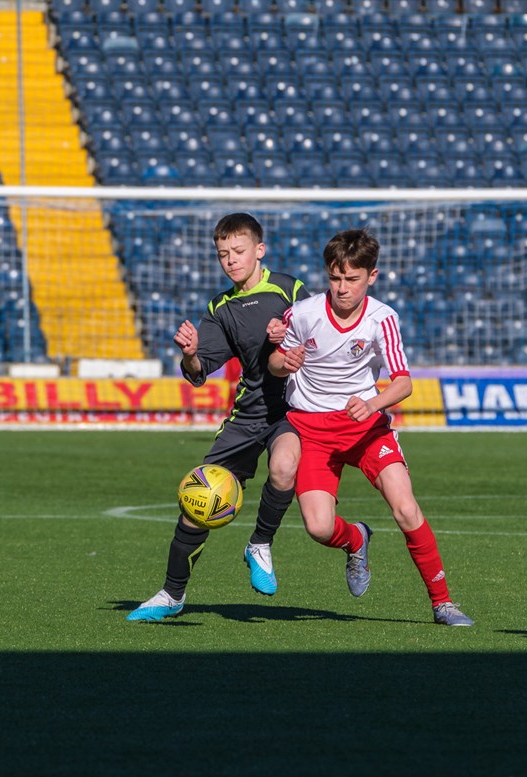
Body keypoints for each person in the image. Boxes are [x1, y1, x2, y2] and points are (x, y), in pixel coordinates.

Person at [268, 228, 474, 627]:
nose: (342, 288)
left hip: (365, 428)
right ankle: (356, 539)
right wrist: (284, 363)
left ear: (372, 276)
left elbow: (404, 381)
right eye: (335, 278)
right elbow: (276, 362)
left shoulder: (383, 319)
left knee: (406, 509)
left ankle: (443, 603)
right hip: (310, 429)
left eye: (352, 279)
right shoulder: (304, 313)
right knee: (318, 527)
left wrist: (372, 403)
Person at [127, 213, 306, 621]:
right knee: (198, 500)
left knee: (284, 466)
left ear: (259, 250)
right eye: (222, 254)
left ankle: (259, 543)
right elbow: (197, 373)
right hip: (249, 414)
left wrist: (290, 336)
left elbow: (317, 338)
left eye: (238, 251)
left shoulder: (289, 289)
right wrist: (190, 353)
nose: (230, 260)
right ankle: (172, 595)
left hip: (292, 409)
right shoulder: (220, 308)